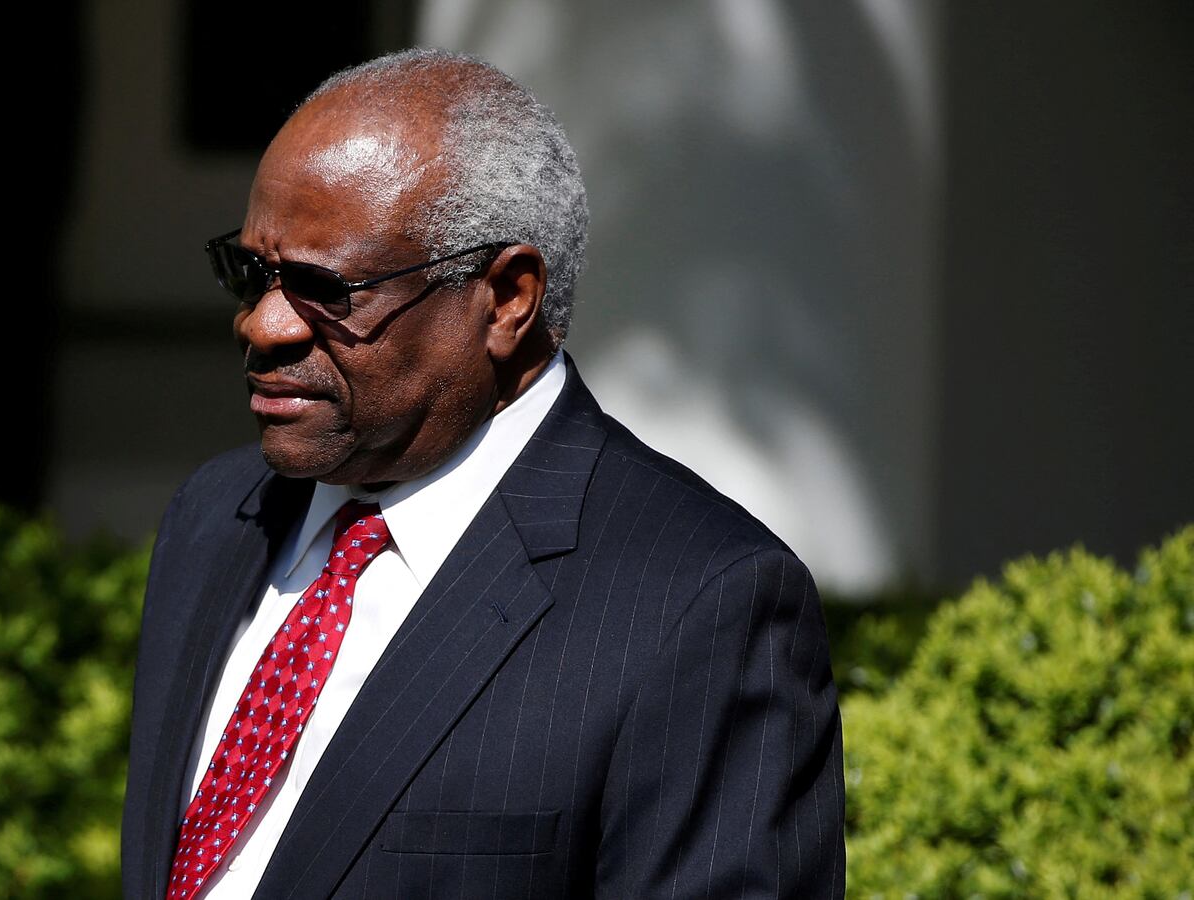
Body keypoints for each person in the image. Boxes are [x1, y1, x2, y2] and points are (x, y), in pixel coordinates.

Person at [121, 49, 844, 899]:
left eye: (326, 288)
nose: (264, 324)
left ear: (506, 298)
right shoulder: (218, 515)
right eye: (253, 273)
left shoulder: (697, 603)